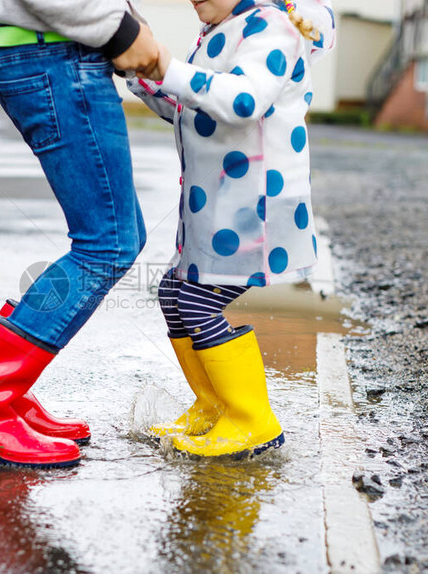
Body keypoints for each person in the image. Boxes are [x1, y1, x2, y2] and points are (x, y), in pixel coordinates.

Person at [0, 2, 161, 468]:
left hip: (54, 53)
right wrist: (121, 30)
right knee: (106, 243)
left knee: (121, 236)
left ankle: (3, 399)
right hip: (55, 56)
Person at [128, 0, 336, 458]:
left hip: (257, 205)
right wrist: (146, 76)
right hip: (216, 205)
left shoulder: (271, 27)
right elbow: (194, 109)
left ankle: (251, 421)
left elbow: (242, 101)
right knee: (173, 292)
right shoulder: (224, 29)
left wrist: (168, 65)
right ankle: (213, 405)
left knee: (198, 300)